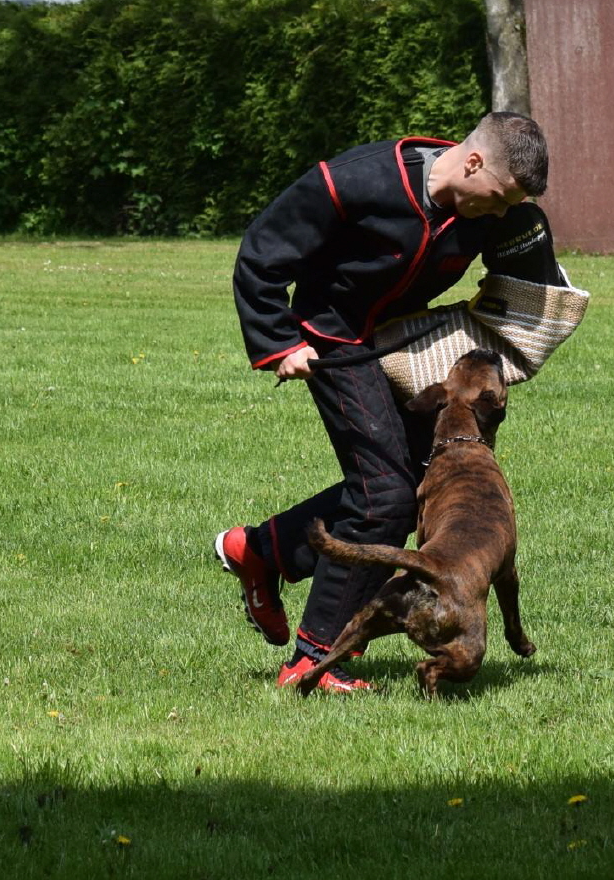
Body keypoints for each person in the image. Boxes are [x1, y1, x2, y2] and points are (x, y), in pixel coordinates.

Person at [215, 112, 564, 693]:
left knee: (415, 486)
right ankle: (314, 659)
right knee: (383, 495)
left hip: (400, 342)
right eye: (500, 197)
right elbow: (261, 254)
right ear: (473, 163)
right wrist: (279, 342)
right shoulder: (357, 181)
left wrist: (536, 270)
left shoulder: (494, 212)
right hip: (331, 338)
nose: (502, 213)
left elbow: (532, 283)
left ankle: (261, 550)